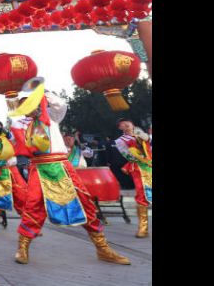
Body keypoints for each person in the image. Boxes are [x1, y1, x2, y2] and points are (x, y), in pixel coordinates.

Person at [8, 78, 130, 266]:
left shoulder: (50, 117)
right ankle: (22, 248)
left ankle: (103, 248)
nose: (29, 106)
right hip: (39, 169)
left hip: (62, 167)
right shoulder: (20, 124)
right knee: (33, 207)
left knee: (85, 204)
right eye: (25, 103)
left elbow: (61, 105)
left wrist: (44, 91)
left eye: (31, 101)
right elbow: (14, 121)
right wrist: (16, 101)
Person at [115, 119, 152, 238]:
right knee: (142, 195)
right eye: (122, 125)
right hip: (139, 168)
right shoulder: (120, 141)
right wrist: (140, 155)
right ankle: (143, 228)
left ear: (132, 123)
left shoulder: (143, 134)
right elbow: (127, 155)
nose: (126, 125)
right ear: (120, 128)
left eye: (127, 123)